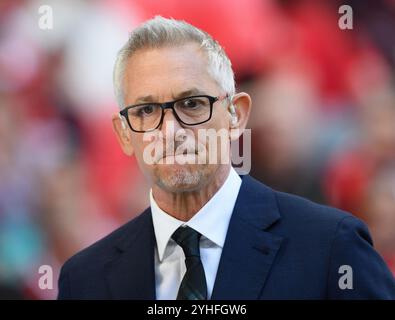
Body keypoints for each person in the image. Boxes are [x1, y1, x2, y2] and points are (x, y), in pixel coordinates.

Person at [57, 16, 395, 300]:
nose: (171, 130)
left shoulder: (330, 249)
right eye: (147, 110)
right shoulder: (85, 280)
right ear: (124, 134)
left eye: (191, 104)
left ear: (236, 116)